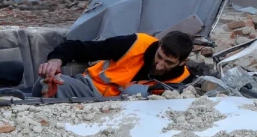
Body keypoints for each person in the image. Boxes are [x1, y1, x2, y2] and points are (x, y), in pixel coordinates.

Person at [34, 30, 195, 100]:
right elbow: (78, 48)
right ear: (159, 45)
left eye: (168, 63)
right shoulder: (134, 43)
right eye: (159, 57)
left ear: (182, 62)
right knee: (56, 84)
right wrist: (56, 59)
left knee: (134, 92)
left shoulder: (184, 80)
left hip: (122, 112)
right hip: (89, 90)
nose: (159, 65)